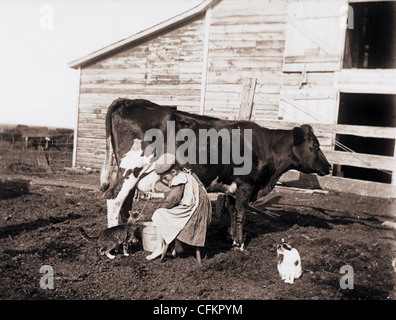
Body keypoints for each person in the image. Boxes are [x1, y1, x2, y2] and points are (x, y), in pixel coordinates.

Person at [146, 153, 212, 261]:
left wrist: (161, 206)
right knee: (169, 211)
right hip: (202, 211)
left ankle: (159, 247)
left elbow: (173, 199)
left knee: (159, 213)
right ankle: (177, 245)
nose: (167, 180)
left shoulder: (179, 177)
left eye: (166, 177)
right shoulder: (188, 174)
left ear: (173, 172)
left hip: (193, 212)